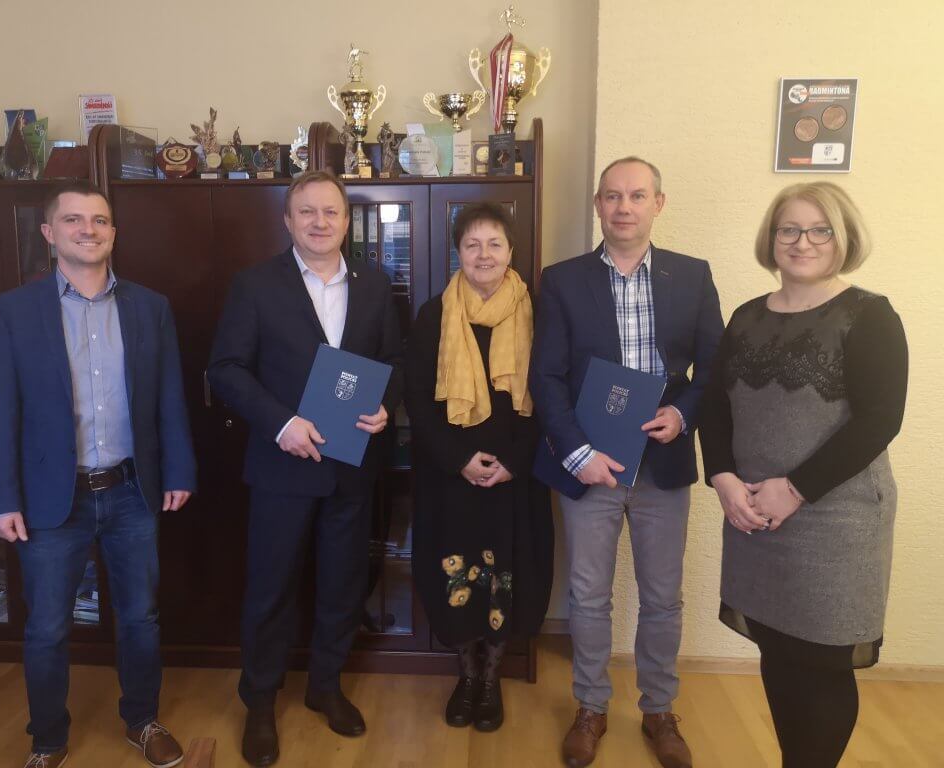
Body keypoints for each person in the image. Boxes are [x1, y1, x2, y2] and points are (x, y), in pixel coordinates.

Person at [0, 182, 197, 768]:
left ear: (113, 233)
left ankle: (143, 721)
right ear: (49, 233)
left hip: (131, 492)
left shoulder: (150, 307)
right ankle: (48, 741)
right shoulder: (11, 312)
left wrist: (179, 469)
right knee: (47, 628)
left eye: (99, 220)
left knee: (140, 618)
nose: (88, 230)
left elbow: (169, 397)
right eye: (73, 220)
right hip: (52, 501)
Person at [700, 182, 907, 768]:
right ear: (772, 238)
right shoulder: (746, 317)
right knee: (777, 647)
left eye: (821, 230)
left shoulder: (870, 315)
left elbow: (880, 421)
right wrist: (723, 479)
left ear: (844, 239)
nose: (803, 242)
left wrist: (794, 490)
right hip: (754, 514)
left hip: (836, 522)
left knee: (822, 664)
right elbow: (714, 408)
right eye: (789, 229)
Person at [530, 157, 723, 768]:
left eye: (637, 195)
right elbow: (546, 376)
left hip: (662, 462)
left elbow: (714, 368)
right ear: (598, 205)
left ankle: (659, 710)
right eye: (612, 196)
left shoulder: (692, 276)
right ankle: (590, 706)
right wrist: (577, 453)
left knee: (662, 597)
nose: (624, 207)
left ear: (658, 204)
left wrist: (683, 414)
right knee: (588, 596)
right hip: (592, 464)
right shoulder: (562, 281)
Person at [207, 170, 404, 767]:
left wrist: (386, 406)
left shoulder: (374, 284)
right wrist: (281, 423)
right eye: (307, 212)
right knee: (271, 589)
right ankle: (260, 703)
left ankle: (325, 687)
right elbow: (226, 370)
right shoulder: (255, 285)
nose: (320, 222)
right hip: (282, 465)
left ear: (346, 221)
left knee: (343, 584)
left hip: (352, 466)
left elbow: (392, 360)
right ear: (288, 220)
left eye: (331, 212)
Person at [405, 202, 553, 732]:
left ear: (511, 251)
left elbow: (552, 394)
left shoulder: (539, 313)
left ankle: (491, 680)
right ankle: (466, 677)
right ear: (458, 252)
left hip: (516, 475)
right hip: (452, 475)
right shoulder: (434, 315)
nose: (484, 254)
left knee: (507, 575)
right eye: (472, 244)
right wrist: (459, 459)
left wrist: (514, 461)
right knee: (458, 575)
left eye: (494, 244)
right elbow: (417, 399)